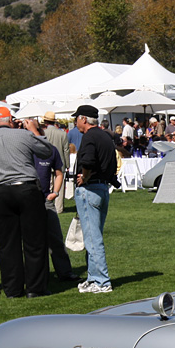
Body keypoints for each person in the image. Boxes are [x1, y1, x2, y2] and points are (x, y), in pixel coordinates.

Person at [0, 107, 54, 298]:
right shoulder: (23, 135)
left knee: (7, 243)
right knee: (34, 240)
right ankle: (35, 288)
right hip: (26, 188)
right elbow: (46, 152)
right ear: (10, 120)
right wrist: (34, 131)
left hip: (1, 191)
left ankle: (13, 289)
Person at [73, 104, 118, 294]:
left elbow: (88, 161)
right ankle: (93, 278)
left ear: (83, 119)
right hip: (102, 188)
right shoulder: (105, 136)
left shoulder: (90, 136)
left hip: (90, 189)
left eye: (77, 118)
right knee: (93, 235)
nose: (75, 122)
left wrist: (85, 176)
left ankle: (101, 281)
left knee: (92, 238)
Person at [32, 139, 80, 284]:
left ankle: (65, 272)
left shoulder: (51, 150)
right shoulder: (26, 149)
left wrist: (55, 192)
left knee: (55, 238)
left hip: (46, 199)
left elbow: (59, 173)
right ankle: (39, 275)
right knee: (34, 241)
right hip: (29, 199)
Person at [40, 111, 71, 214]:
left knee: (48, 184)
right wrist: (67, 164)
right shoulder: (62, 133)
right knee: (60, 187)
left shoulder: (43, 133)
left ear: (45, 122)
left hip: (45, 162)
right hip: (59, 162)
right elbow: (66, 150)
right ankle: (59, 207)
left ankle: (47, 203)